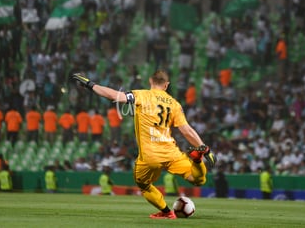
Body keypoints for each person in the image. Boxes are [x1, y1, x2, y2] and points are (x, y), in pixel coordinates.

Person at [72, 70, 217, 219]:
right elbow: (186, 131)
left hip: (150, 156)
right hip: (171, 153)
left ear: (150, 81)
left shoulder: (141, 95)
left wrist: (90, 84)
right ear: (166, 85)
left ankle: (167, 212)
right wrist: (205, 149)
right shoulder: (174, 104)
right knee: (198, 179)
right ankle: (198, 160)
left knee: (143, 185)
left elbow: (113, 96)